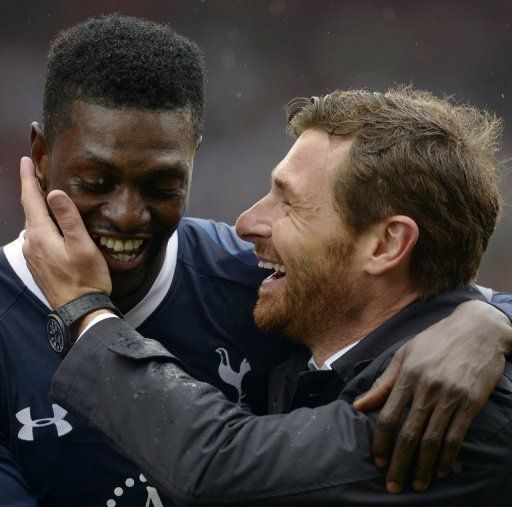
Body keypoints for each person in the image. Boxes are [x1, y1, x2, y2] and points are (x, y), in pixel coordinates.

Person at [2, 13, 511, 506]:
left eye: (289, 202)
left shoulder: (446, 407)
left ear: (385, 245)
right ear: (42, 157)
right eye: (95, 182)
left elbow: (219, 467)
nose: (245, 224)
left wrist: (85, 312)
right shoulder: (296, 308)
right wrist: (488, 318)